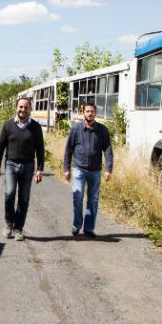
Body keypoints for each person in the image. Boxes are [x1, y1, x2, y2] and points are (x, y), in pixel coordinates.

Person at [0, 97, 45, 241]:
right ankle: (9, 224)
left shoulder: (35, 127)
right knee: (9, 194)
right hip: (10, 164)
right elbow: (0, 146)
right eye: (20, 107)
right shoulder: (8, 125)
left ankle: (18, 229)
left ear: (30, 109)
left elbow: (40, 149)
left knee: (24, 198)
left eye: (26, 107)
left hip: (28, 166)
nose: (23, 110)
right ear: (16, 108)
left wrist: (40, 169)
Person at [63, 102, 113, 238]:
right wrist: (66, 168)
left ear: (95, 114)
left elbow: (108, 150)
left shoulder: (102, 130)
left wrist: (108, 169)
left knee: (93, 200)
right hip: (79, 169)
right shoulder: (76, 129)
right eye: (87, 111)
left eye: (92, 111)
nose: (90, 113)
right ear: (83, 113)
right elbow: (68, 149)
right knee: (78, 197)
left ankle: (89, 228)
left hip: (95, 171)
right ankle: (76, 225)